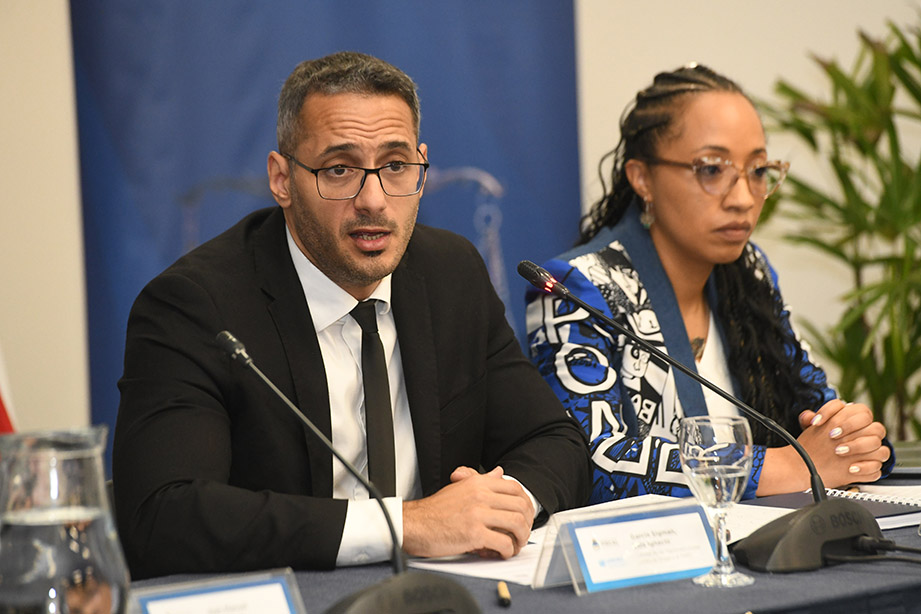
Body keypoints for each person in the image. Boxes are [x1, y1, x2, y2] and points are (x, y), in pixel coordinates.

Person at [113, 51, 591, 579]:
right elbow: (163, 516)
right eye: (339, 170)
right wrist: (405, 526)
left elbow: (555, 441)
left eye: (395, 166)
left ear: (422, 166)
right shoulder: (195, 306)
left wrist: (503, 506)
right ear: (282, 179)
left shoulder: (450, 273)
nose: (374, 200)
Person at [524, 64, 891, 505]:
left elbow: (820, 413)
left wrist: (852, 438)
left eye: (758, 170)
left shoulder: (749, 274)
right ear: (642, 178)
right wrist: (788, 467)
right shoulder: (578, 288)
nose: (743, 198)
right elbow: (593, 463)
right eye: (712, 169)